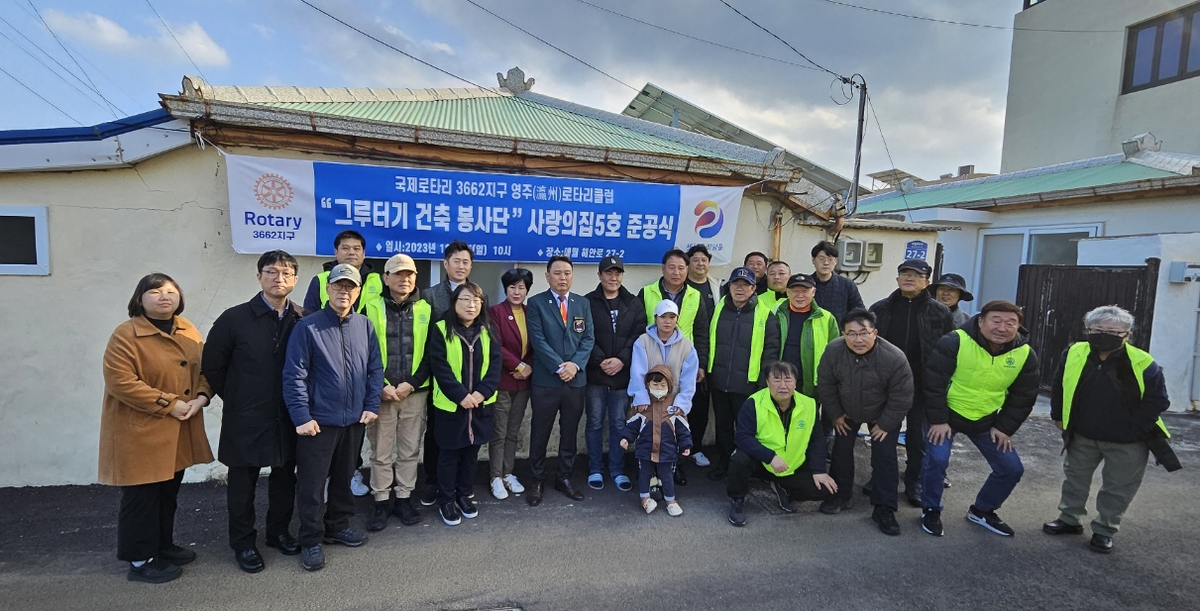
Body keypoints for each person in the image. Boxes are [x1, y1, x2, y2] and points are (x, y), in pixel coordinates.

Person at [100, 273, 213, 584]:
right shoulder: (126, 335)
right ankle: (140, 559)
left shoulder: (187, 329)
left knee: (167, 492)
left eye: (170, 290)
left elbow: (204, 368)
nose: (164, 296)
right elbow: (121, 382)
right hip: (141, 431)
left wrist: (202, 397)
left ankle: (161, 545)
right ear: (140, 298)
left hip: (179, 429)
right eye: (155, 292)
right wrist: (170, 404)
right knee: (142, 497)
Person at [203, 251, 304, 574]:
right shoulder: (234, 319)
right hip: (245, 415)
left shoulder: (301, 318)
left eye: (286, 273)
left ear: (295, 280)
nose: (279, 278)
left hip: (287, 415)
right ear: (259, 276)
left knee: (285, 477)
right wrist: (237, 398)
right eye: (272, 272)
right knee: (243, 482)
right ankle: (244, 543)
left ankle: (278, 532)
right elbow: (213, 366)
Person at [1045, 305, 1172, 554]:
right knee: (1075, 479)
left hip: (1128, 441)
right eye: (1098, 329)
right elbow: (1059, 385)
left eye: (1114, 331)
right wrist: (1058, 416)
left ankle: (1105, 530)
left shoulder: (1143, 361)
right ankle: (1069, 519)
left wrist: (1135, 428)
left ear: (1128, 335)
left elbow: (1158, 400)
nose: (1105, 334)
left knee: (1118, 488)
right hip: (1082, 434)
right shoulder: (1073, 352)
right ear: (1088, 330)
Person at [283, 264, 383, 571]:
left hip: (353, 421)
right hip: (318, 423)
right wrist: (301, 415)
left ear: (358, 291)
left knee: (343, 479)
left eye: (350, 287)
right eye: (338, 286)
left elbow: (375, 369)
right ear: (328, 289)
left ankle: (338, 526)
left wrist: (371, 404)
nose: (344, 291)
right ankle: (311, 539)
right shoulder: (308, 327)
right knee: (312, 485)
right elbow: (294, 375)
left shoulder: (364, 325)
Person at [920, 300, 1039, 538]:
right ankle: (931, 509)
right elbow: (933, 381)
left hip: (986, 420)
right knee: (937, 460)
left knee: (1011, 468)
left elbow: (1024, 396)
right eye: (996, 320)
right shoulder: (956, 341)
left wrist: (1004, 427)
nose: (1002, 327)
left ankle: (982, 510)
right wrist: (938, 419)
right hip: (947, 416)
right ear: (981, 321)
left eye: (1010, 323)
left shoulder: (1024, 353)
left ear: (1018, 327)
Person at [301, 229, 383, 498]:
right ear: (335, 253)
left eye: (357, 248)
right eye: (345, 248)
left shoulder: (376, 281)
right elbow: (310, 319)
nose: (351, 252)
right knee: (327, 444)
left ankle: (353, 473)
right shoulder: (321, 280)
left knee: (354, 433)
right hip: (329, 367)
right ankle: (324, 489)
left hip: (362, 361)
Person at [817, 309, 913, 535]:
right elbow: (826, 385)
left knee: (885, 456)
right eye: (851, 334)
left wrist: (886, 424)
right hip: (846, 410)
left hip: (882, 413)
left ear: (875, 333)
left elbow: (902, 396)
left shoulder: (894, 357)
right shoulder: (833, 351)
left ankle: (884, 507)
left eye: (863, 333)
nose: (857, 339)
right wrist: (836, 414)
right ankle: (840, 496)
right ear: (843, 334)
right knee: (841, 451)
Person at [869, 259, 955, 507]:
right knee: (882, 436)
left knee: (918, 439)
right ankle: (880, 477)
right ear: (897, 279)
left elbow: (949, 350)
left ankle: (914, 481)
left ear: (927, 282)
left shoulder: (939, 312)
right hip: (886, 385)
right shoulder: (880, 309)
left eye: (916, 275)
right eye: (904, 274)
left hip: (923, 385)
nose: (909, 278)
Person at [361, 254, 431, 532]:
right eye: (398, 274)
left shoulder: (426, 308)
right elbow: (363, 352)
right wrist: (381, 385)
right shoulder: (369, 307)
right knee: (380, 450)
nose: (405, 279)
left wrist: (411, 383)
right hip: (382, 393)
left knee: (410, 449)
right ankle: (380, 500)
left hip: (413, 393)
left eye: (410, 274)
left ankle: (404, 497)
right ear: (385, 277)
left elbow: (431, 354)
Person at [726, 361, 837, 527]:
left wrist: (819, 470)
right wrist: (770, 457)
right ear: (767, 383)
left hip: (791, 465)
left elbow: (817, 440)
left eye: (788, 380)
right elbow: (742, 437)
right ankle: (737, 499)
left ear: (795, 382)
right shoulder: (754, 403)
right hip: (762, 462)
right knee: (739, 459)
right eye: (776, 380)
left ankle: (782, 486)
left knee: (826, 491)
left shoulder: (809, 405)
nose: (783, 385)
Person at [427, 282, 501, 525]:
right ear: (454, 303)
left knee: (471, 454)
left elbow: (494, 366)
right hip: (451, 406)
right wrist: (460, 395)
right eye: (465, 300)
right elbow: (440, 367)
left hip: (480, 406)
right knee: (448, 455)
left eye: (476, 301)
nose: (471, 305)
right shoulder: (440, 328)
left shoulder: (489, 330)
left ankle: (464, 494)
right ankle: (446, 499)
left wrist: (481, 393)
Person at [525, 255, 596, 505]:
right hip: (547, 381)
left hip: (575, 381)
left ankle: (564, 477)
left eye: (567, 273)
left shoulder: (582, 303)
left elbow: (588, 339)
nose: (563, 277)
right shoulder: (535, 303)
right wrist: (559, 367)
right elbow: (538, 340)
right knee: (540, 432)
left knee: (569, 432)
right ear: (547, 276)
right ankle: (536, 479)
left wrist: (575, 365)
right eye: (557, 273)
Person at [639, 249, 710, 485]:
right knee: (651, 418)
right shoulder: (647, 292)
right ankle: (649, 468)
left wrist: (702, 363)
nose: (676, 272)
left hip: (682, 366)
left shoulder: (695, 295)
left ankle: (674, 467)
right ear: (663, 269)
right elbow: (639, 327)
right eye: (672, 267)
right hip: (653, 368)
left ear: (687, 270)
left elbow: (701, 332)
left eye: (681, 267)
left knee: (677, 418)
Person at [706, 266, 779, 480]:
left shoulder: (765, 314)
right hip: (719, 382)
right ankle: (724, 463)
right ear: (729, 287)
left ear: (753, 288)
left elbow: (771, 350)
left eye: (745, 285)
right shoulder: (719, 308)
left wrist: (763, 382)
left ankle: (746, 468)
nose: (740, 289)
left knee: (747, 430)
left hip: (748, 384)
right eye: (735, 284)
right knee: (723, 427)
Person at [419, 239, 476, 506]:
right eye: (457, 261)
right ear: (445, 264)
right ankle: (433, 481)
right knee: (436, 432)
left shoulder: (476, 294)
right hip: (441, 378)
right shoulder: (430, 295)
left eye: (466, 261)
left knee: (466, 433)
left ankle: (460, 485)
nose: (461, 266)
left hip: (471, 378)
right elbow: (427, 339)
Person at [584, 256, 643, 491]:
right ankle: (595, 468)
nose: (613, 277)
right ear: (599, 275)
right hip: (596, 375)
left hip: (622, 376)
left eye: (617, 273)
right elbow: (585, 335)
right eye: (608, 273)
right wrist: (601, 361)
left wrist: (621, 360)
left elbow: (638, 336)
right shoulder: (587, 302)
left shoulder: (634, 303)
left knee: (619, 423)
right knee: (595, 422)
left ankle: (617, 469)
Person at [619, 366, 694, 516]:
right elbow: (632, 425)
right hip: (645, 450)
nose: (659, 388)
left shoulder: (674, 407)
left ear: (669, 386)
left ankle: (671, 501)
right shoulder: (642, 405)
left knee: (666, 476)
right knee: (644, 474)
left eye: (662, 385)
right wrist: (626, 438)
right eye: (655, 385)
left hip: (667, 450)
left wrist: (686, 445)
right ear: (647, 385)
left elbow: (682, 429)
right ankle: (644, 498)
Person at [488, 268, 535, 500]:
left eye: (522, 287)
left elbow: (537, 344)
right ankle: (495, 476)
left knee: (513, 431)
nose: (517, 292)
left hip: (524, 382)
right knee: (499, 431)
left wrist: (528, 367)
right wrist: (518, 366)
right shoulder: (495, 312)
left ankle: (508, 472)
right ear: (505, 289)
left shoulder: (530, 312)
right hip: (503, 380)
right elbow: (495, 345)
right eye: (512, 287)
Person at [774, 273, 839, 399]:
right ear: (787, 292)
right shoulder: (775, 314)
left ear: (813, 292)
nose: (800, 296)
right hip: (779, 379)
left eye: (805, 291)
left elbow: (836, 354)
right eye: (795, 291)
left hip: (811, 383)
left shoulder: (826, 318)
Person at [685, 244, 721, 470]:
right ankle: (680, 448)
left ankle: (696, 448)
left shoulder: (717, 287)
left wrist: (705, 361)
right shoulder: (683, 288)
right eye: (695, 260)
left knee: (700, 406)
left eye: (704, 260)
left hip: (708, 356)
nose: (700, 263)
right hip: (683, 358)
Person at [811, 241, 864, 323]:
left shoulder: (847, 285)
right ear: (813, 260)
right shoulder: (807, 284)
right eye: (821, 259)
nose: (826, 263)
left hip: (840, 333)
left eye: (830, 259)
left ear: (835, 261)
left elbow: (859, 312)